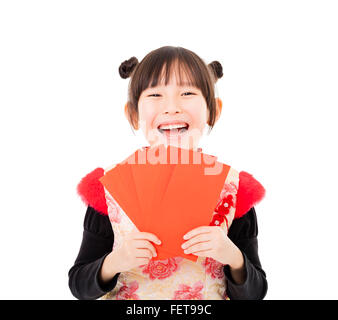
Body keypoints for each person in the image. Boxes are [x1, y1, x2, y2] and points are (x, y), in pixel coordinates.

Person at [68, 46, 268, 300]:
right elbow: (78, 285)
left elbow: (256, 292)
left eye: (187, 92)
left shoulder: (235, 190)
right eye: (155, 95)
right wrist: (115, 262)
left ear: (212, 110)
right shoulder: (107, 190)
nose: (171, 107)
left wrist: (233, 257)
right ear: (133, 114)